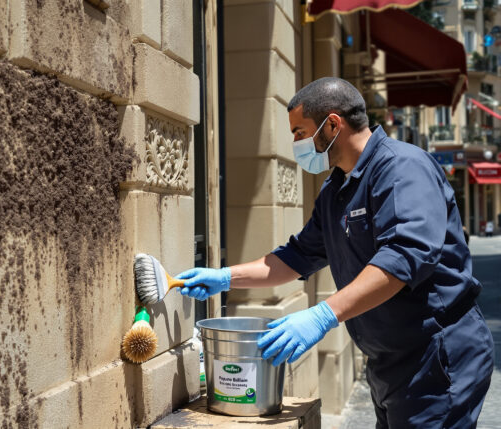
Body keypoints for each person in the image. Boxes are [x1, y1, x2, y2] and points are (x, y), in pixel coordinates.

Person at [177, 78, 494, 428]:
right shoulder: (336, 189)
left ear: (332, 125)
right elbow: (296, 256)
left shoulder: (402, 168)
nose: (295, 144)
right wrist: (224, 277)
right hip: (390, 362)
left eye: (299, 132)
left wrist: (322, 316)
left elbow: (404, 258)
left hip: (437, 354)